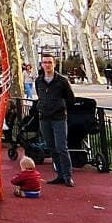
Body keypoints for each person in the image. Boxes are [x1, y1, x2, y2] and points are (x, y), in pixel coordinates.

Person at [37, 54, 76, 187]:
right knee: (51, 147)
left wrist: (62, 109)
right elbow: (40, 95)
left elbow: (71, 98)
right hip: (44, 118)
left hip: (58, 118)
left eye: (49, 62)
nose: (47, 65)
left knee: (61, 147)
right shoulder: (39, 81)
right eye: (44, 62)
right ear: (41, 64)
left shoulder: (62, 81)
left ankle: (67, 175)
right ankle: (59, 174)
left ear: (54, 64)